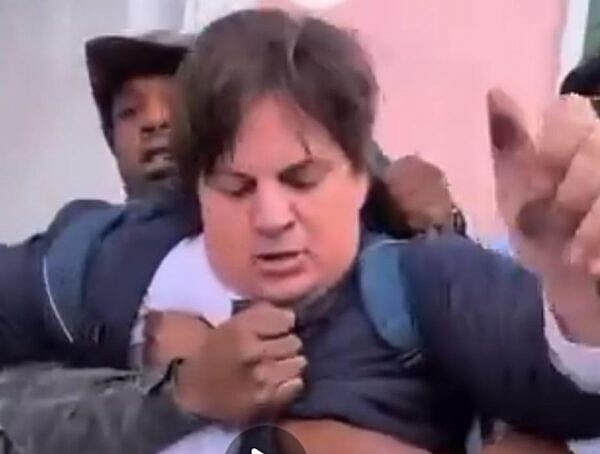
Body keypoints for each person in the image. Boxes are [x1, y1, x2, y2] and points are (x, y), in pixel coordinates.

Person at [2, 9, 600, 454]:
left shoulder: (418, 283)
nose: (272, 218)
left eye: (303, 179)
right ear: (196, 187)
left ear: (362, 173)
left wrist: (576, 295)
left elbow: (557, 380)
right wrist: (176, 394)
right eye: (236, 187)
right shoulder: (101, 263)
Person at [85, 31, 192, 201]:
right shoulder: (84, 218)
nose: (155, 120)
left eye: (176, 104)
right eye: (130, 110)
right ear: (110, 139)